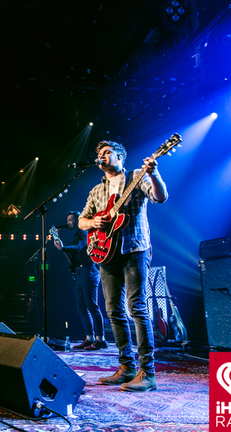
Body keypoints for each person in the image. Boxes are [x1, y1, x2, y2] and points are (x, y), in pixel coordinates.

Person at [78, 140, 168, 392]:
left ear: (120, 157)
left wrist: (154, 174)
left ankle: (147, 373)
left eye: (107, 152)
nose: (102, 156)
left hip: (134, 248)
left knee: (136, 307)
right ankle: (126, 367)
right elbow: (82, 221)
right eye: (100, 153)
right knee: (113, 310)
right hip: (106, 254)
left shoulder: (137, 176)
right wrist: (93, 223)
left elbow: (160, 197)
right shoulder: (97, 190)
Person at [53, 211, 106, 350]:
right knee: (82, 308)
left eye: (70, 220)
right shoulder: (77, 235)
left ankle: (100, 339)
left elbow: (78, 248)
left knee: (92, 306)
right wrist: (62, 248)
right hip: (80, 273)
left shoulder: (83, 233)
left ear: (77, 220)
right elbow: (74, 256)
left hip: (88, 272)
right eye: (68, 220)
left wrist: (63, 247)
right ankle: (90, 338)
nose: (68, 223)